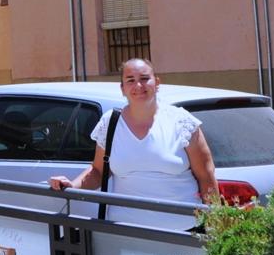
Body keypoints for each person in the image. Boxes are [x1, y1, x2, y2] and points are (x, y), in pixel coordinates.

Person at [48, 58, 218, 231]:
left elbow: (206, 176)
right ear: (122, 88)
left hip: (183, 234)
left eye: (144, 78)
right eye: (130, 80)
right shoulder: (110, 123)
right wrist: (72, 185)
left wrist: (215, 227)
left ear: (157, 83)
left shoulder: (182, 122)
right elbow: (99, 171)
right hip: (127, 234)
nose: (138, 86)